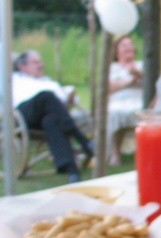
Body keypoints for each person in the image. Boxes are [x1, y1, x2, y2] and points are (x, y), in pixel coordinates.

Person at [11, 50, 94, 183]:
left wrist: (70, 97)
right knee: (46, 96)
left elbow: (63, 101)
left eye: (40, 62)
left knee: (51, 121)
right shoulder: (14, 79)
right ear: (22, 67)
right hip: (23, 115)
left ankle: (72, 170)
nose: (41, 65)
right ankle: (83, 140)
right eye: (35, 62)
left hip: (48, 116)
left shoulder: (49, 82)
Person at [107, 35, 143, 165]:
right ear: (117, 51)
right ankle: (115, 153)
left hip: (139, 99)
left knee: (144, 111)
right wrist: (130, 82)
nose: (128, 47)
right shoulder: (112, 68)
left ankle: (143, 150)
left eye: (130, 44)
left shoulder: (142, 64)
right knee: (115, 113)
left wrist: (139, 75)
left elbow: (152, 83)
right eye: (124, 45)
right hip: (118, 101)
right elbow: (108, 87)